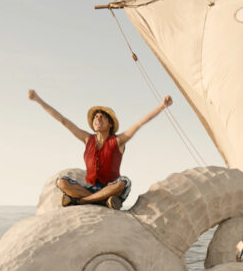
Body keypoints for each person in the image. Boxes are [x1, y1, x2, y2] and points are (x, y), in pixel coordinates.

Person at [28, 89, 172, 208]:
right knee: (61, 182)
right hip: (89, 188)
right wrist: (38, 100)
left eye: (102, 117)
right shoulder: (87, 139)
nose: (97, 119)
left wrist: (162, 106)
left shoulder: (118, 141)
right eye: (96, 117)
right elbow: (63, 120)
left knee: (124, 182)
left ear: (110, 124)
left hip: (111, 187)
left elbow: (140, 123)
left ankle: (81, 201)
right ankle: (102, 201)